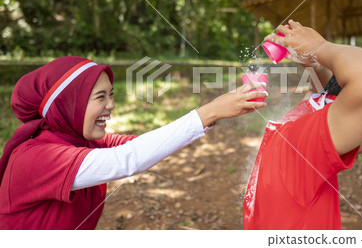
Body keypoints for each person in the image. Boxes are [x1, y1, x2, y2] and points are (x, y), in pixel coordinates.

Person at [0, 56, 267, 230]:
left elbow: (141, 146)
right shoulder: (36, 157)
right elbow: (127, 160)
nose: (111, 105)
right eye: (100, 97)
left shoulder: (83, 142)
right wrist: (208, 111)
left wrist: (215, 113)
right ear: (67, 105)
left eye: (111, 95)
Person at [243, 20, 362, 230]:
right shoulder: (306, 150)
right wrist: (319, 48)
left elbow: (324, 95)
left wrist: (314, 64)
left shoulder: (297, 126)